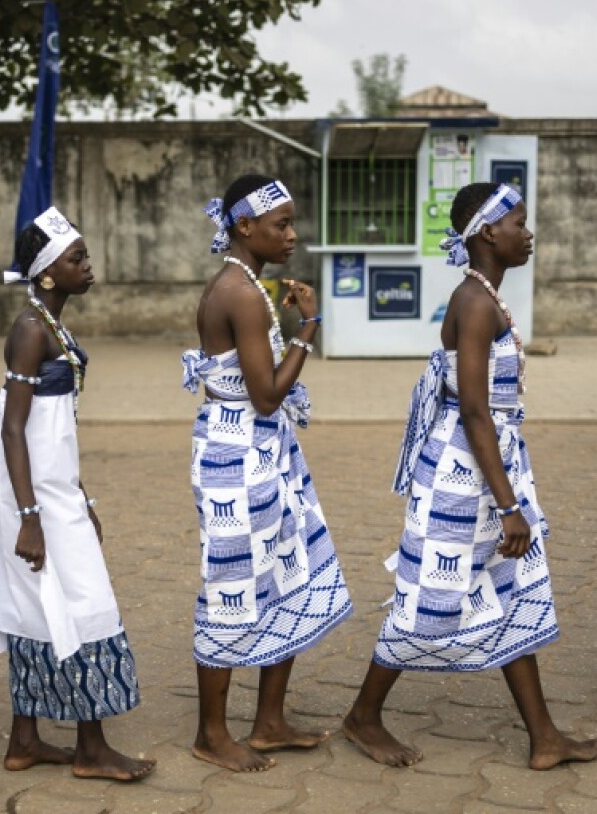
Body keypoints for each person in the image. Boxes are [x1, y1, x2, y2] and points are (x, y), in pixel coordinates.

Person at [342, 182, 597, 770]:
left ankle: (544, 737)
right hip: (464, 478)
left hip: (485, 468)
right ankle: (363, 716)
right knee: (429, 598)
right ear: (488, 232)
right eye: (519, 222)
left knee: (510, 588)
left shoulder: (481, 296)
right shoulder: (477, 302)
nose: (528, 234)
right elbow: (475, 411)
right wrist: (510, 507)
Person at [0, 208, 156, 782]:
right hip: (30, 495)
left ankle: (24, 742)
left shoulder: (50, 325)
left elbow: (54, 430)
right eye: (77, 258)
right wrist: (29, 517)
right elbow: (12, 429)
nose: (88, 265)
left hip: (52, 487)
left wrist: (81, 495)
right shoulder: (30, 331)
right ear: (48, 273)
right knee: (84, 604)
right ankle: (91, 750)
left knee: (37, 606)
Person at [183, 175, 353, 772]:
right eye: (281, 224)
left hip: (261, 452)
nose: (292, 234)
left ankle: (269, 724)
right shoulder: (241, 293)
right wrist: (310, 326)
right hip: (237, 459)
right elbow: (266, 395)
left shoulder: (245, 285)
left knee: (285, 573)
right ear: (244, 226)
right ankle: (211, 734)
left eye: (291, 223)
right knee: (232, 586)